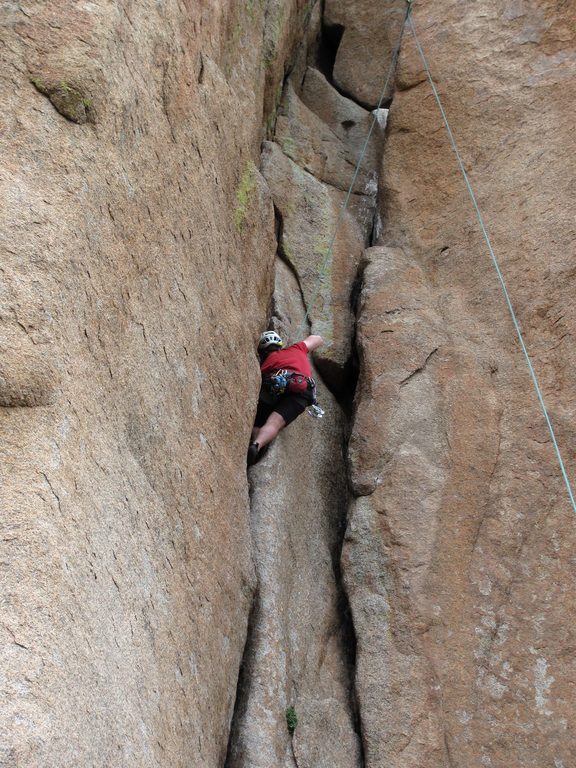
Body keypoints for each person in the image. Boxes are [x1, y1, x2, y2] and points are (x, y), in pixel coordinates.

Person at [248, 330, 324, 465]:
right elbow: (317, 339)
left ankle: (255, 439)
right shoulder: (297, 349)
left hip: (276, 387)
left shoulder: (265, 364)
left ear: (263, 351)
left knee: (259, 422)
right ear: (280, 344)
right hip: (302, 389)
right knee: (275, 423)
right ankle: (257, 445)